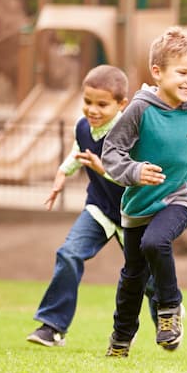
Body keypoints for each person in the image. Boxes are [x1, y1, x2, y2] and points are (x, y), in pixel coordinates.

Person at [102, 27, 187, 357]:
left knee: (156, 241)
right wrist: (135, 172)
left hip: (183, 195)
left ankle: (169, 311)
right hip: (139, 203)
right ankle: (121, 339)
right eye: (182, 73)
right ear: (157, 72)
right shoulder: (139, 110)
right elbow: (112, 152)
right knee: (133, 277)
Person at [27, 65, 151, 346]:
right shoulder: (84, 127)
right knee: (69, 254)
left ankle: (169, 317)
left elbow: (136, 177)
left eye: (102, 105)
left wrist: (103, 168)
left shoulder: (129, 132)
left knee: (150, 280)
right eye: (88, 102)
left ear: (122, 104)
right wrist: (61, 175)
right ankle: (52, 327)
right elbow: (77, 151)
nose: (92, 110)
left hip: (132, 214)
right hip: (99, 210)